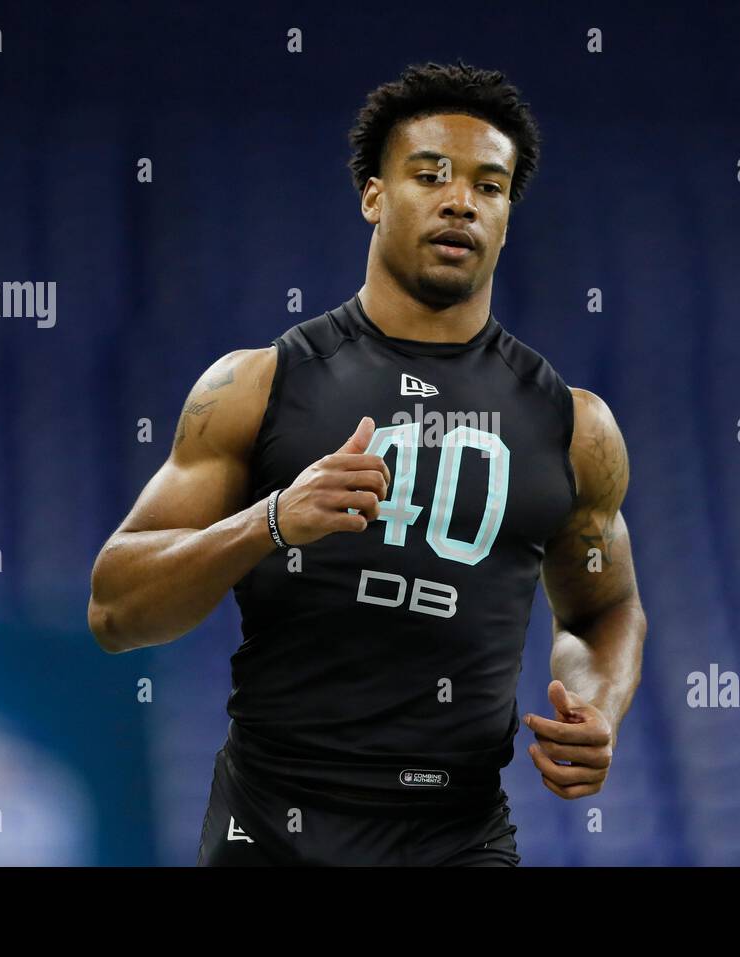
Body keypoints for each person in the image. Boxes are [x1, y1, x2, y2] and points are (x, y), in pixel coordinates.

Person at [87, 61, 647, 866]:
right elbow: (115, 611)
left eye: (491, 187)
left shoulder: (572, 424)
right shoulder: (257, 385)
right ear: (373, 196)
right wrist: (269, 521)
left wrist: (598, 704)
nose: (461, 200)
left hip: (459, 835)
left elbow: (604, 611)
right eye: (430, 175)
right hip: (272, 824)